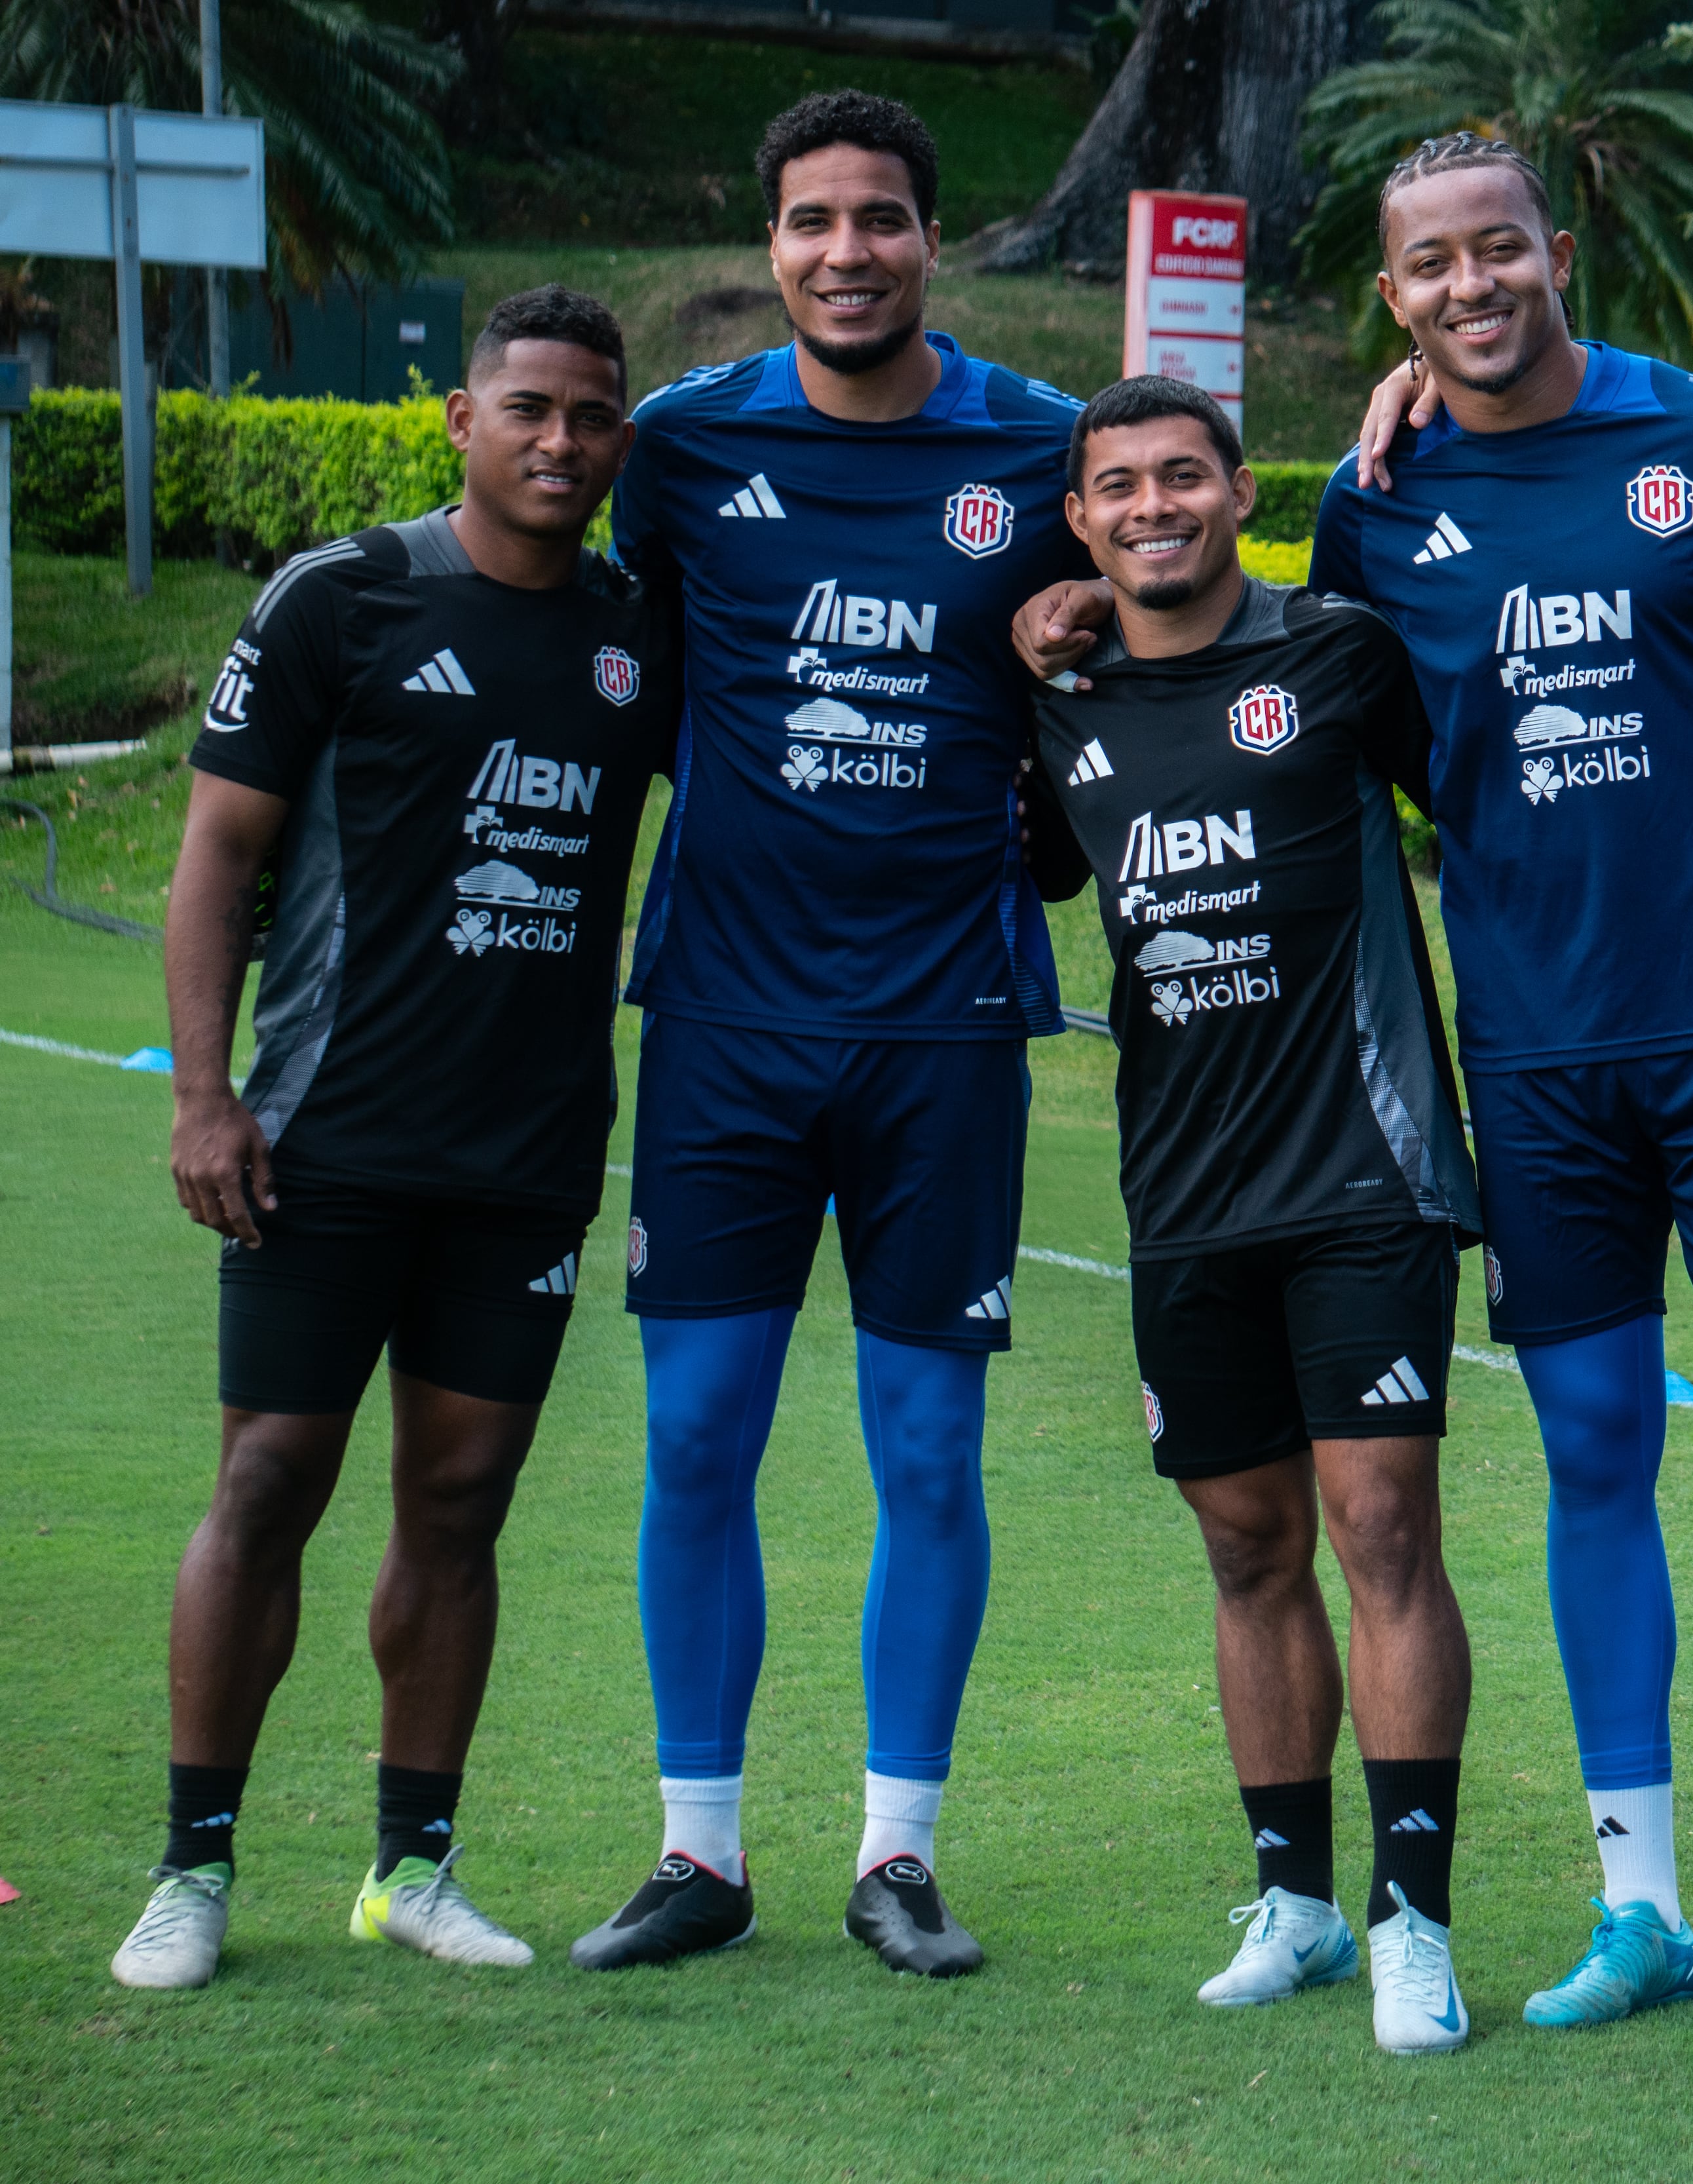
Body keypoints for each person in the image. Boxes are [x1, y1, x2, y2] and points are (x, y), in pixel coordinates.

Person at [1024, 132, 1693, 2064]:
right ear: (1393, 298)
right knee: (1595, 1453)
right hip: (1524, 1056)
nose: (1470, 285)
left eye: (1497, 249)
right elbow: (1272, 689)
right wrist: (1073, 620)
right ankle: (1640, 1908)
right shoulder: (1380, 501)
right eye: (1430, 266)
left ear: (1557, 250)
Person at [568, 90, 1093, 1980]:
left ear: (933, 238)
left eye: (880, 218)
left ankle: (899, 1853)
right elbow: (624, 686)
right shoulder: (681, 447)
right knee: (695, 1436)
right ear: (770, 242)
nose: (846, 252)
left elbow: (1156, 600)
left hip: (944, 1027)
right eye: (812, 221)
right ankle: (698, 1852)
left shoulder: (1043, 446)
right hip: (725, 1019)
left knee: (928, 1451)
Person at [113, 287, 676, 1991]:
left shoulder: (639, 632)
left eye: (592, 415)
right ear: (461, 419)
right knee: (267, 1482)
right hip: (326, 1138)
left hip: (528, 1155)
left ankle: (413, 1865)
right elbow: (216, 858)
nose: (561, 440)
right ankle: (192, 1869)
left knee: (458, 1501)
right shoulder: (342, 598)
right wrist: (204, 1094)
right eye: (530, 409)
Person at [1025, 375, 1481, 2054]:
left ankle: (1413, 1921)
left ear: (1237, 492)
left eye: (1182, 476)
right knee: (1245, 1548)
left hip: (1365, 1171)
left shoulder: (1338, 655)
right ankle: (1296, 1901)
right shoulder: (1056, 698)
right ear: (1079, 519)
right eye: (1118, 486)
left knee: (1382, 1532)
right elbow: (1034, 868)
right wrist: (1024, 639)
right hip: (1181, 1196)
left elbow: (1484, 817)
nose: (1152, 506)